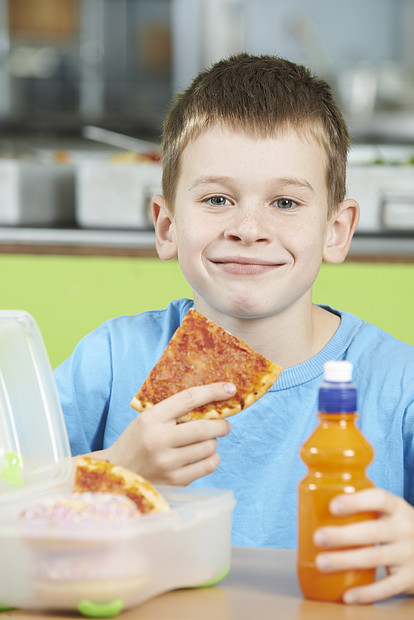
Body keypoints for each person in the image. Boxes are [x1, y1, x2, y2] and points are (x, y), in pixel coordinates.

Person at [54, 53, 414, 604]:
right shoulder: (109, 360)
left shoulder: (399, 383)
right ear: (168, 225)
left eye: (285, 202)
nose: (249, 229)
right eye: (217, 199)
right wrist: (112, 473)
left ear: (336, 231)